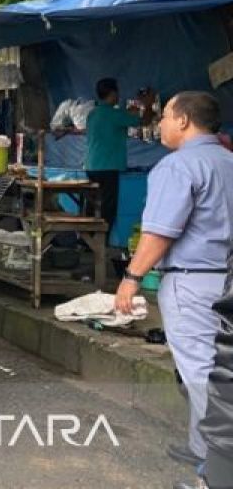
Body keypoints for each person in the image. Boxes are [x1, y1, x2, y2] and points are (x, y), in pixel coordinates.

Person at [114, 91, 233, 487]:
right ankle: (202, 448)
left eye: (164, 116)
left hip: (192, 283)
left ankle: (216, 475)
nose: (160, 123)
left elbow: (160, 232)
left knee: (202, 376)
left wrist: (131, 278)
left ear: (183, 121)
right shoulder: (229, 162)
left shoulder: (178, 166)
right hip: (226, 279)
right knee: (221, 373)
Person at [85, 77, 154, 233]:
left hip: (91, 166)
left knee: (92, 205)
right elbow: (145, 120)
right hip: (108, 167)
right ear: (112, 93)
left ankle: (85, 240)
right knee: (107, 207)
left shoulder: (93, 114)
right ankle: (101, 241)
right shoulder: (114, 115)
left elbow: (126, 116)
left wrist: (137, 104)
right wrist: (148, 104)